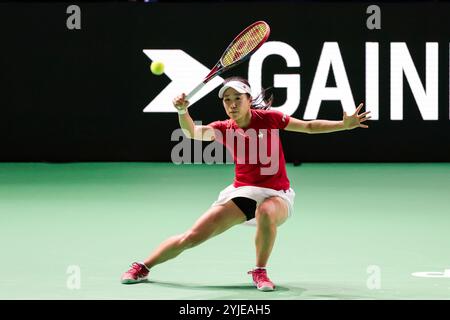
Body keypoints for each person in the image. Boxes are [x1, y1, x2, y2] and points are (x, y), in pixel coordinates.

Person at [121, 77, 371, 291]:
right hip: (243, 192)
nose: (231, 104)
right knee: (192, 236)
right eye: (226, 100)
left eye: (237, 98)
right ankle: (143, 267)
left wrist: (343, 125)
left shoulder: (269, 119)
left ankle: (260, 271)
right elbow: (193, 133)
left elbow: (308, 127)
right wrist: (182, 111)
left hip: (278, 194)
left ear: (249, 99)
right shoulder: (223, 128)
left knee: (266, 211)